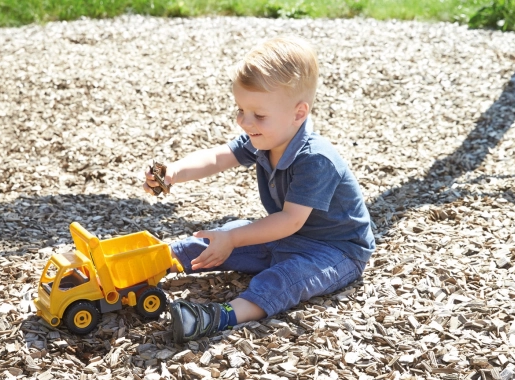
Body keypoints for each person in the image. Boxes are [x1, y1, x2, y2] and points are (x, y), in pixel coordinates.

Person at [143, 35, 375, 344]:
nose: (244, 122)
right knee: (213, 239)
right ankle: (147, 267)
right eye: (240, 109)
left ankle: (220, 315)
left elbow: (290, 220)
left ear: (298, 113)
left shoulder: (315, 159)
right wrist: (172, 172)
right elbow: (217, 157)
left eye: (258, 115)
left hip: (335, 250)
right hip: (288, 236)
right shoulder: (265, 137)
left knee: (283, 279)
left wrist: (235, 238)